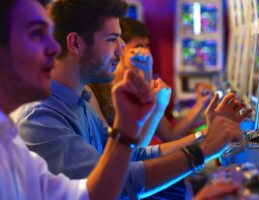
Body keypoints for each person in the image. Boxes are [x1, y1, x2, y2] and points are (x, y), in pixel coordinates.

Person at [11, 0, 246, 198]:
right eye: (112, 38)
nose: (121, 49)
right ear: (75, 43)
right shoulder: (39, 117)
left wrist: (206, 135)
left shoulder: (80, 99)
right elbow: (116, 186)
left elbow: (132, 156)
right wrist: (204, 150)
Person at [0, 0, 155, 199]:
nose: (54, 48)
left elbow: (85, 194)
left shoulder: (10, 139)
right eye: (36, 34)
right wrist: (198, 153)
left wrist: (127, 128)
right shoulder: (35, 117)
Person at [87, 17, 215, 145]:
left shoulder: (140, 82)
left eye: (147, 46)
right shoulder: (96, 86)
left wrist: (201, 104)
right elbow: (123, 151)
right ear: (120, 47)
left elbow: (170, 134)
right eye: (138, 46)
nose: (145, 52)